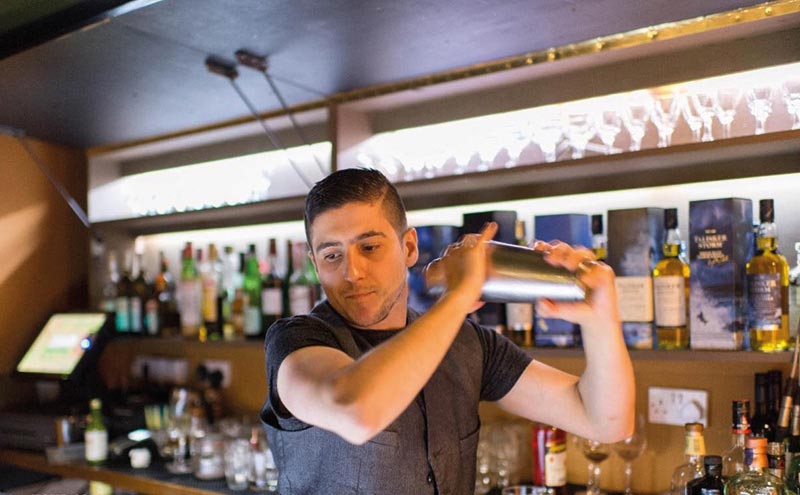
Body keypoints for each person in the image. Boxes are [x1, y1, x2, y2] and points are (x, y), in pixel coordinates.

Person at [260, 168, 634, 494]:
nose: (352, 272)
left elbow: (605, 421)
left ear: (409, 247)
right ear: (315, 265)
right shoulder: (296, 343)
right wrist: (460, 294)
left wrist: (601, 318)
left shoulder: (468, 345)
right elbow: (356, 412)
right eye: (332, 256)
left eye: (370, 247)